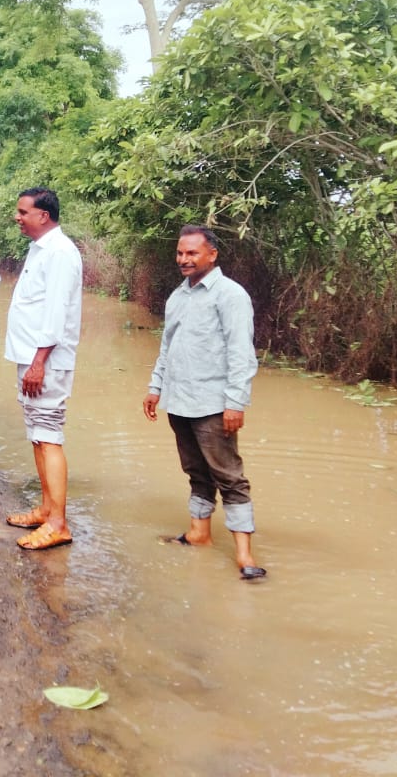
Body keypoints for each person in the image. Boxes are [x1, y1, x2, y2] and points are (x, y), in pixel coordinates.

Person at [142, 225, 266, 580]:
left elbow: (242, 353)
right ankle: (199, 533)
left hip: (213, 403)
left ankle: (245, 555)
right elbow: (167, 347)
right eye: (180, 253)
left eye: (192, 253)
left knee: (229, 477)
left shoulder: (230, 295)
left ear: (212, 255)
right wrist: (155, 387)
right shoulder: (177, 296)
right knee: (196, 472)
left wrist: (235, 403)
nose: (184, 259)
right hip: (178, 400)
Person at [4, 187, 83, 551]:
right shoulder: (40, 250)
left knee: (49, 436)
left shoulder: (61, 253)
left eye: (23, 212)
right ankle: (47, 509)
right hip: (32, 358)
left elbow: (56, 313)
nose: (18, 217)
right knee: (37, 433)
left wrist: (39, 362)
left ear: (44, 216)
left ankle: (58, 523)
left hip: (46, 362)